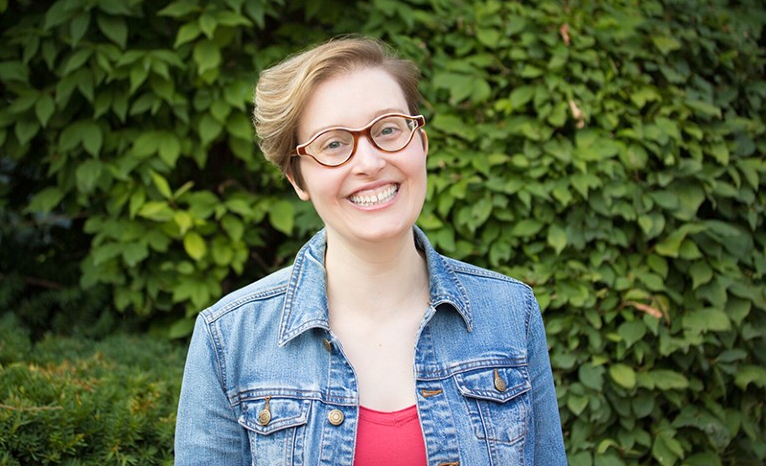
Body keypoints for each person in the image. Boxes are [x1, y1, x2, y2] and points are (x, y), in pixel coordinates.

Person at [174, 37, 567, 465]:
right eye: (334, 144)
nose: (369, 162)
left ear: (422, 144)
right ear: (297, 180)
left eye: (388, 130)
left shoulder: (511, 312)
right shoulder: (230, 338)